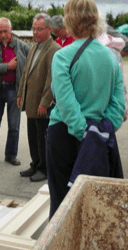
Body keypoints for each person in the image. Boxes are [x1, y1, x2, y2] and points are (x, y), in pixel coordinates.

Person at [47, 0, 125, 219]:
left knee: (63, 203)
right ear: (95, 20)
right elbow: (119, 103)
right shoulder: (111, 56)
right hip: (101, 136)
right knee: (97, 204)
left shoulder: (62, 55)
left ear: (69, 21)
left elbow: (65, 101)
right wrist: (99, 131)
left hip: (66, 134)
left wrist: (84, 131)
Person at [17, 13, 60, 182]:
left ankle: (44, 168)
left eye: (39, 29)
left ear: (50, 29)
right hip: (30, 100)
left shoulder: (54, 49)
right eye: (34, 29)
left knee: (43, 138)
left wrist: (45, 102)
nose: (35, 32)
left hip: (42, 104)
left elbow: (52, 79)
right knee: (32, 135)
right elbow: (26, 73)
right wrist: (20, 94)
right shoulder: (34, 47)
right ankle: (35, 164)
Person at [0, 17, 30, 167]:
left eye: (5, 31)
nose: (2, 34)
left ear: (11, 29)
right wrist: (7, 67)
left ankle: (11, 155)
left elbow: (28, 68)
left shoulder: (22, 46)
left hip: (14, 89)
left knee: (14, 125)